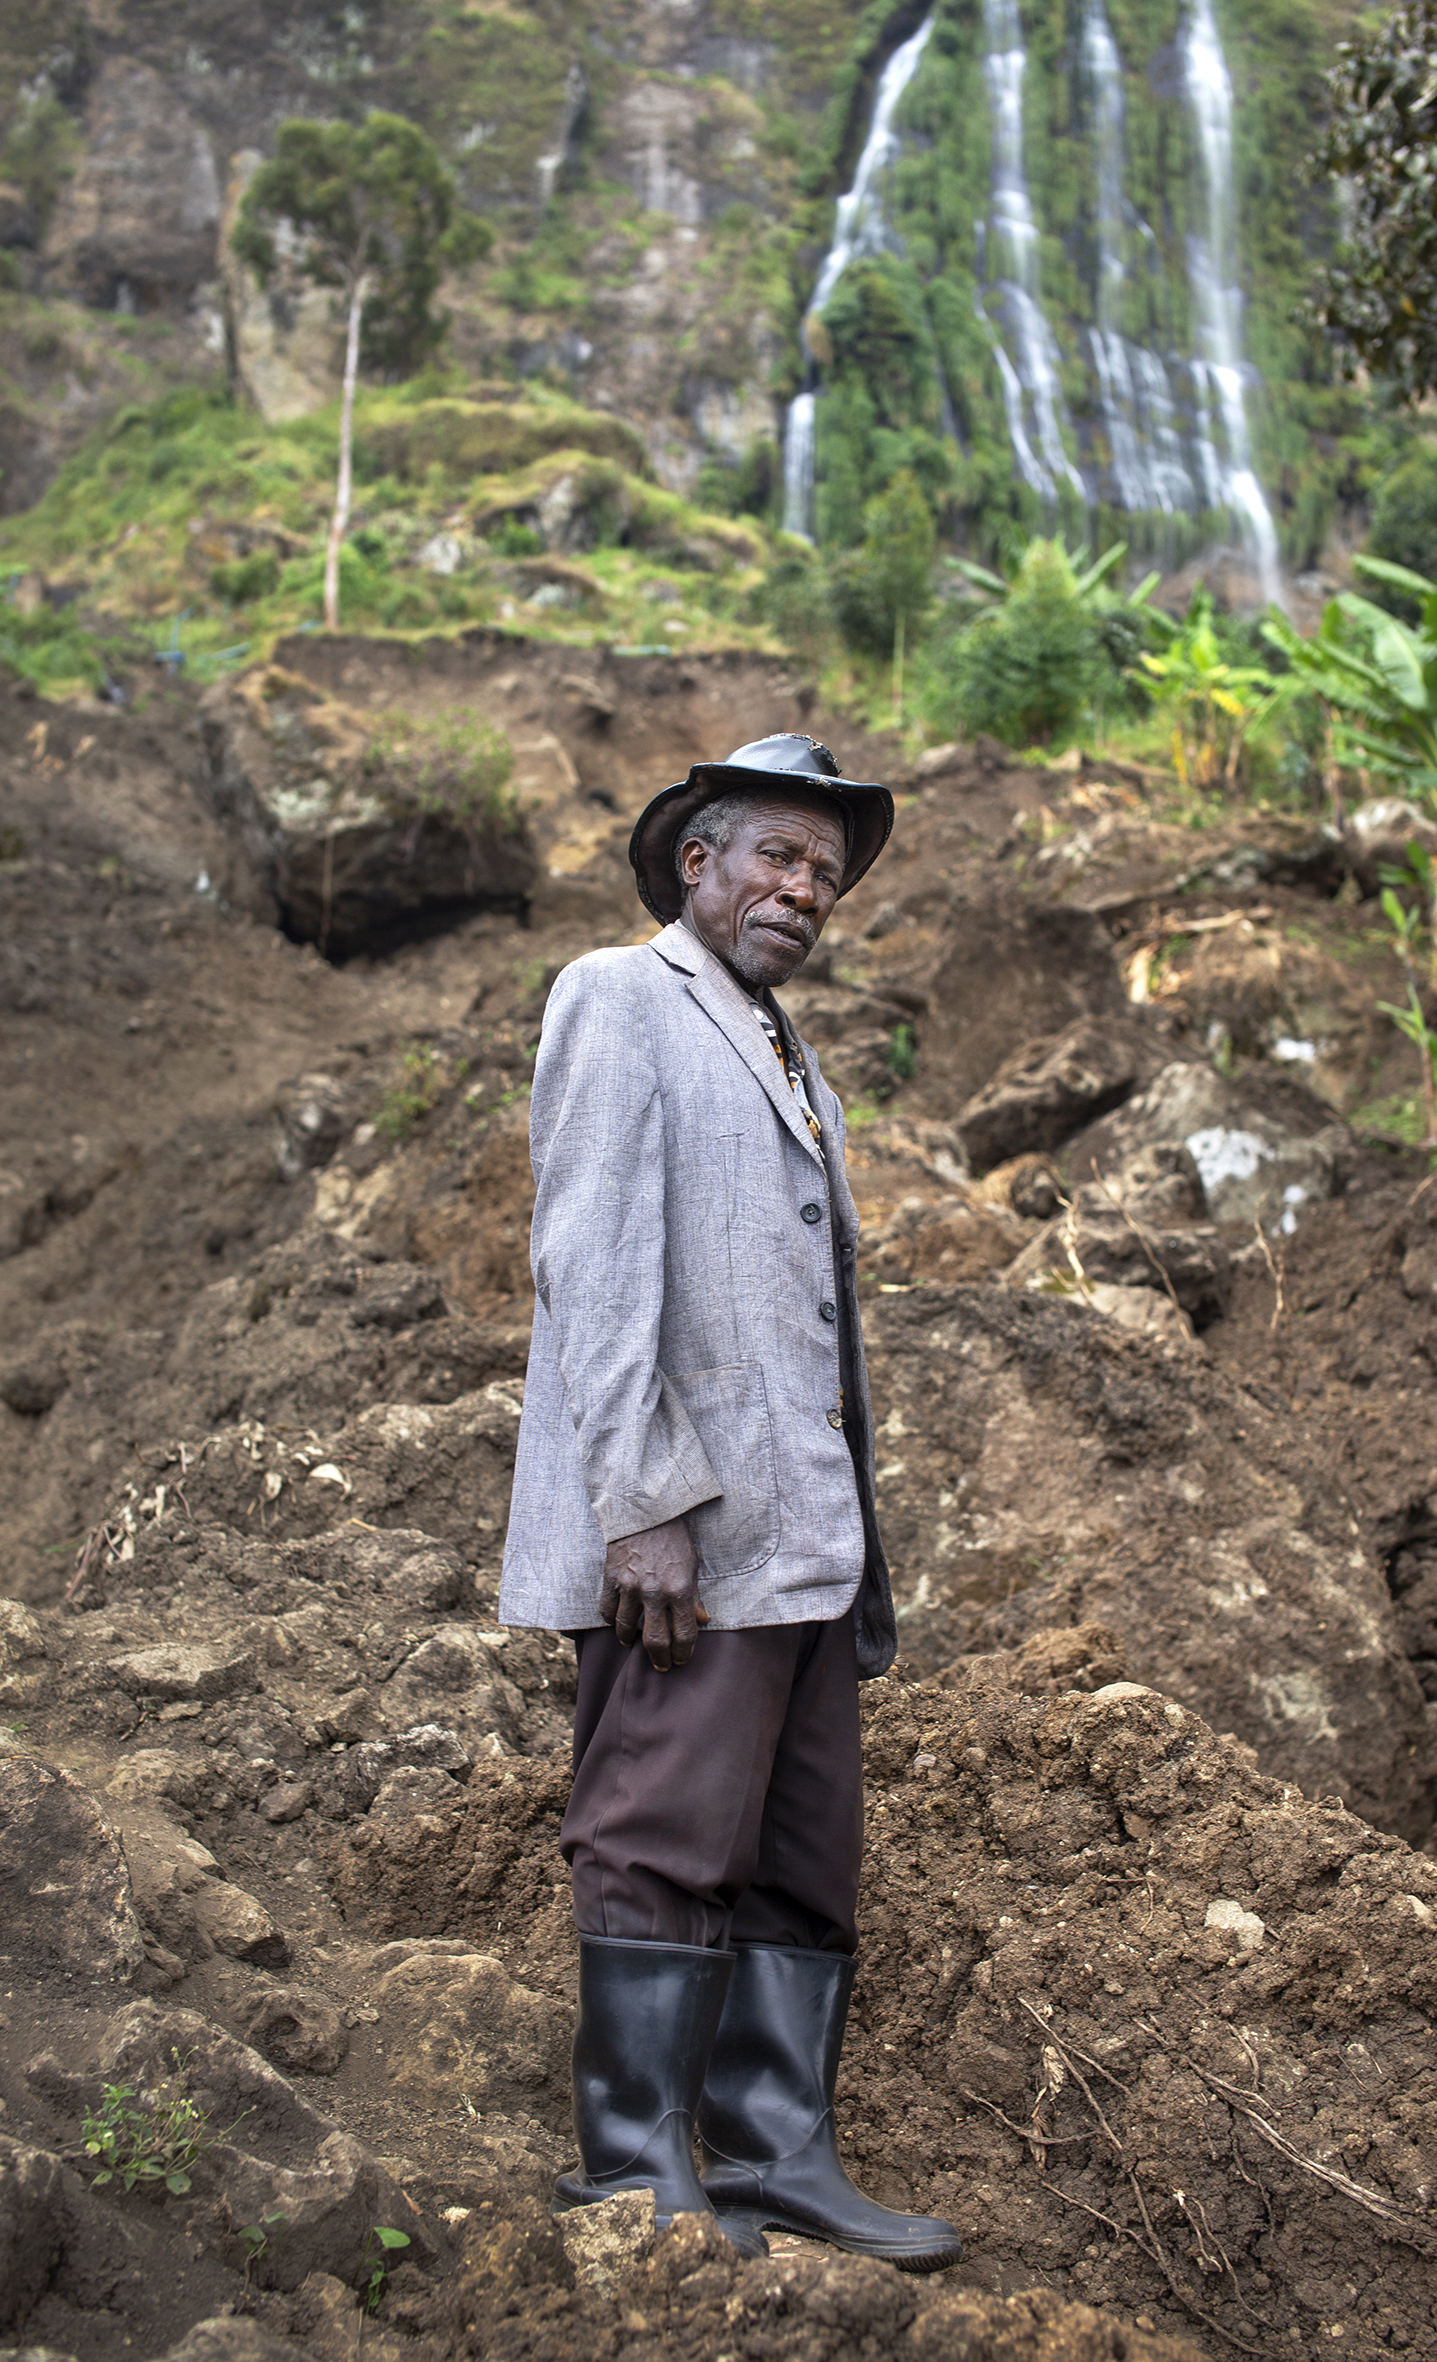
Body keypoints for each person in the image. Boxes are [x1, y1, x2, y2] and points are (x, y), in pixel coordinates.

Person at [499, 732, 960, 2271]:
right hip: (687, 1536)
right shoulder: (623, 997)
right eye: (775, 852)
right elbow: (593, 1259)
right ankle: (633, 2169)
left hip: (805, 1540)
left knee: (801, 1850)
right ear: (695, 861)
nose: (803, 886)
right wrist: (639, 1500)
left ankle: (772, 2152)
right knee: (663, 1827)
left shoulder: (790, 1054)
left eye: (822, 870)